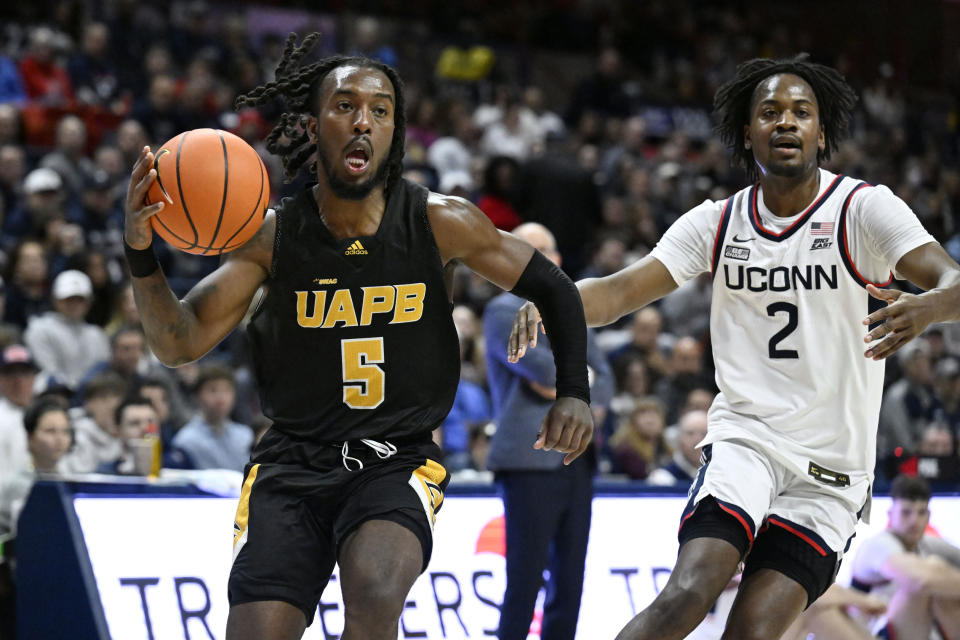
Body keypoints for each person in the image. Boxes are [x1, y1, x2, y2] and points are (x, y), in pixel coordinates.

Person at [122, 32, 592, 640]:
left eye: (380, 110)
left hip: (396, 459)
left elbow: (554, 285)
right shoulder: (272, 237)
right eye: (344, 106)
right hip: (292, 464)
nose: (363, 122)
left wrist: (574, 390)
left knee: (373, 593)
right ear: (314, 127)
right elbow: (177, 342)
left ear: (394, 131)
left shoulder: (438, 221)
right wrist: (139, 250)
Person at [509, 54, 960, 639]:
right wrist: (555, 298)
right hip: (747, 439)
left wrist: (929, 306)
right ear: (747, 133)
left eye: (802, 113)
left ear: (822, 133)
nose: (786, 123)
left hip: (833, 469)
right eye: (769, 112)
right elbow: (621, 291)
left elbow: (952, 279)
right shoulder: (718, 222)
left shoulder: (863, 209)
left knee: (751, 631)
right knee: (690, 591)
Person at [482, 222, 614, 640]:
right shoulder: (503, 310)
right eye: (529, 250)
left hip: (577, 461)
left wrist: (577, 383)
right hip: (528, 459)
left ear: (557, 260)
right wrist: (579, 379)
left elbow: (607, 381)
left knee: (570, 583)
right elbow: (542, 374)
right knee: (523, 580)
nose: (540, 259)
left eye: (546, 250)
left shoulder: (573, 310)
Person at [850, 475, 960, 639]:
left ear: (929, 516)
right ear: (890, 514)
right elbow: (921, 580)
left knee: (941, 576)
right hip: (869, 634)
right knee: (928, 577)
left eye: (921, 512)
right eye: (906, 512)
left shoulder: (927, 544)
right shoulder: (878, 544)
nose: (914, 521)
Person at [171, 364, 252, 472]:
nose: (221, 398)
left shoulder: (246, 436)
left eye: (227, 390)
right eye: (213, 390)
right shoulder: (185, 441)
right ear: (197, 396)